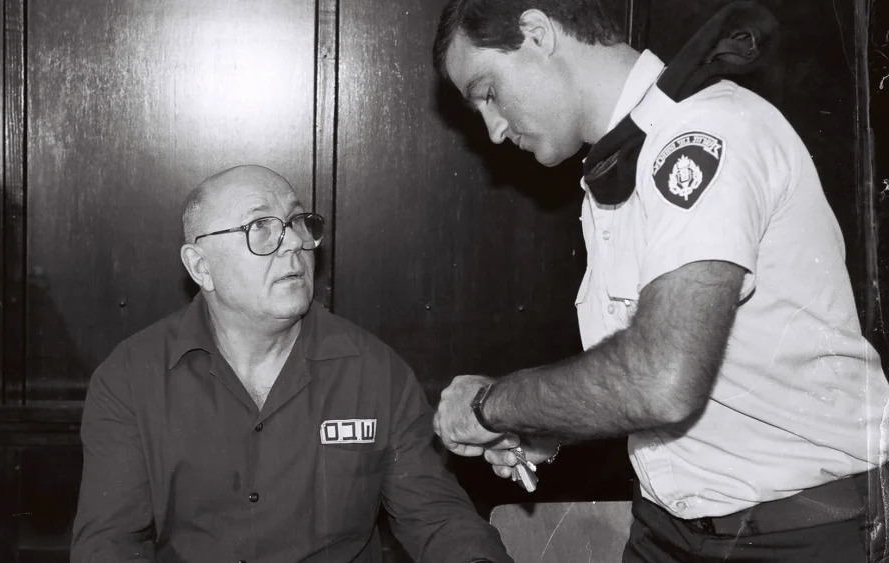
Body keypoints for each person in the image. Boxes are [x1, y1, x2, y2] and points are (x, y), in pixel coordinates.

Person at [428, 1, 889, 561]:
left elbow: (661, 379)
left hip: (797, 527)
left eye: (488, 94)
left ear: (537, 33)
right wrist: (543, 424)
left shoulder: (703, 132)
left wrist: (490, 407)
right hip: (669, 526)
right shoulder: (621, 161)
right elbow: (658, 383)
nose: (494, 130)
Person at [70, 165, 513, 563]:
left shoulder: (375, 370)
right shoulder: (131, 376)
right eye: (260, 226)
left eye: (299, 222)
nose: (297, 242)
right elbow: (110, 543)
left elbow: (435, 515)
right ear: (200, 266)